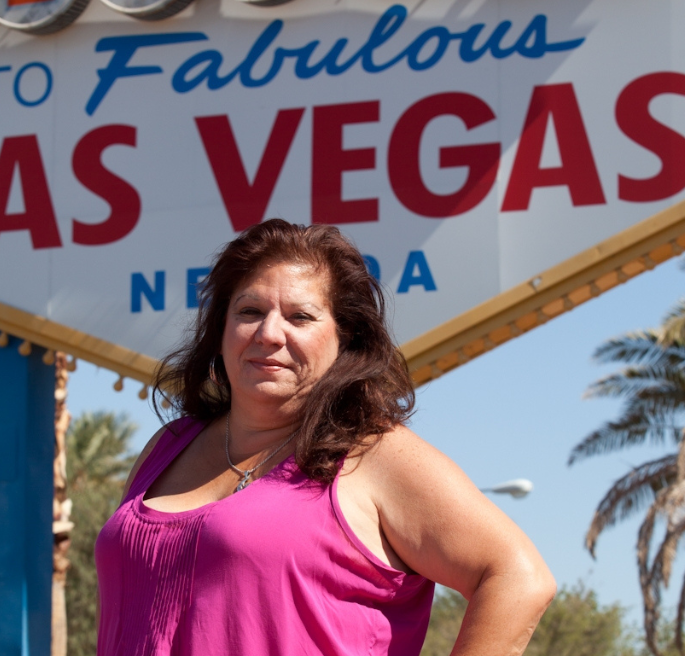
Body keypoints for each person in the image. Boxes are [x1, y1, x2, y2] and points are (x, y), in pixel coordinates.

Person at [96, 219, 555, 656]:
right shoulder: (167, 446)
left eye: (300, 317)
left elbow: (519, 576)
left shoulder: (373, 455)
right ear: (220, 330)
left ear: (345, 339)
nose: (270, 334)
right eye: (250, 311)